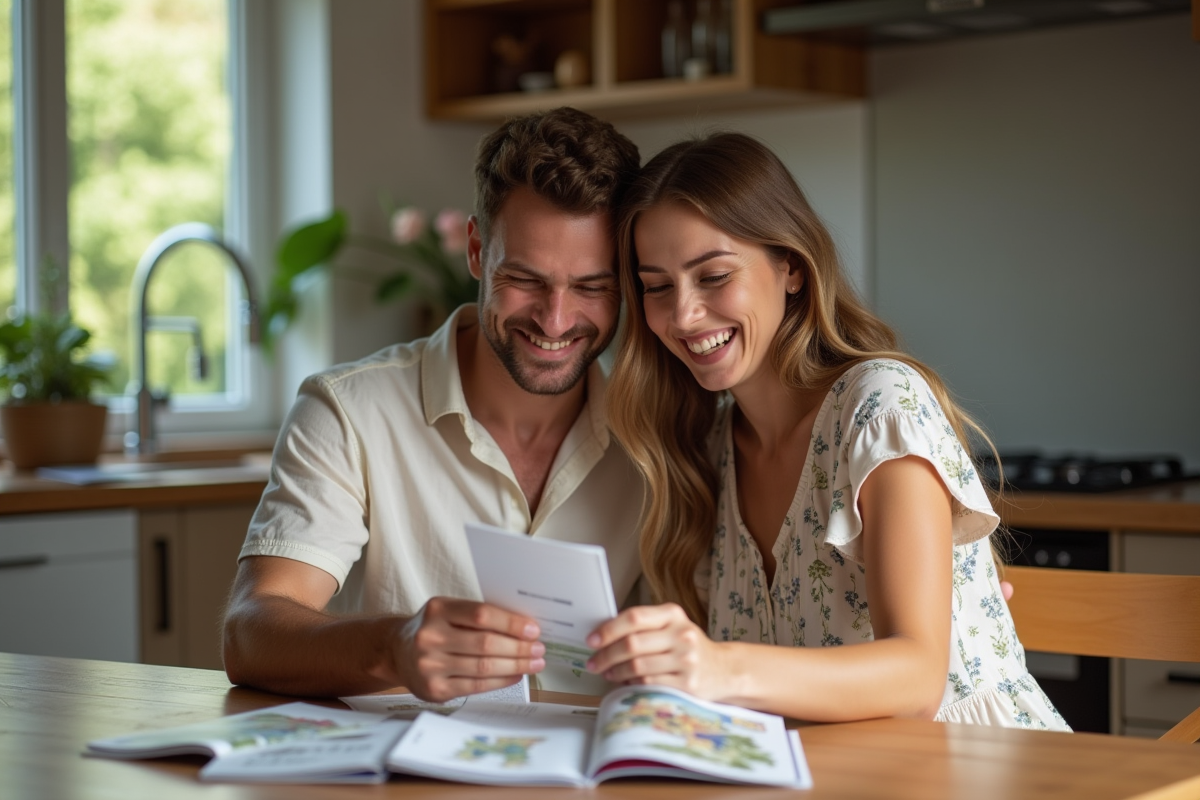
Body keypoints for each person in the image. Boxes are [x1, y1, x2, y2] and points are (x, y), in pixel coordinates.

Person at [588, 133, 1068, 730]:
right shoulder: (708, 452)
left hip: (976, 763)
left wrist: (719, 667)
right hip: (834, 769)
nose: (683, 314)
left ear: (790, 267)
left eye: (713, 275)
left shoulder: (880, 407)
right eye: (657, 286)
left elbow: (918, 681)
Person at [222, 107, 644, 702]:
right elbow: (251, 633)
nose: (555, 320)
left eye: (592, 287)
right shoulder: (348, 412)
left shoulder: (659, 431)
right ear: (476, 250)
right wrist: (393, 647)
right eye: (525, 280)